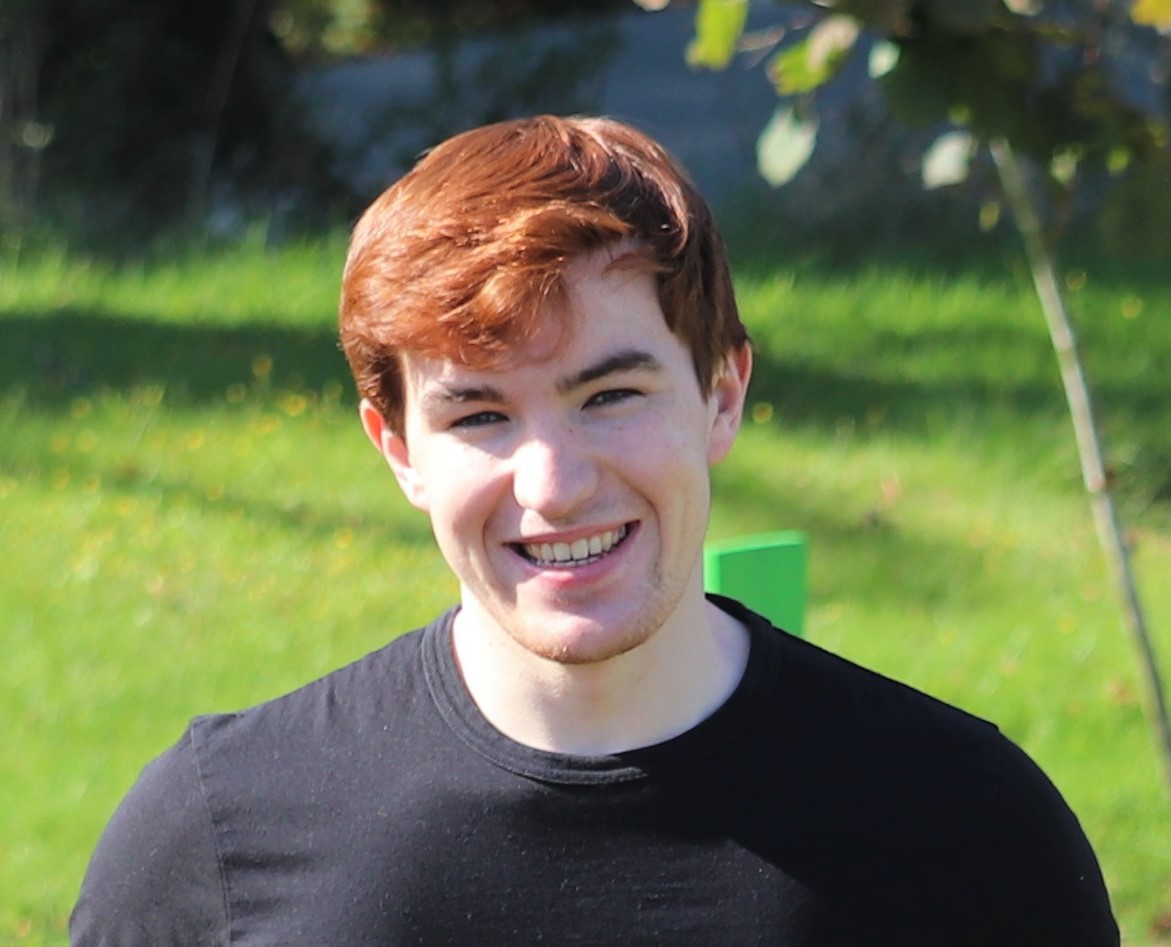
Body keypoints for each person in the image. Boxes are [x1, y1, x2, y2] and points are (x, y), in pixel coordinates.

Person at [71, 114, 1118, 946]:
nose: (555, 483)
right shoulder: (216, 838)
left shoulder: (963, 823)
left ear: (721, 393)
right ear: (396, 448)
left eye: (608, 394)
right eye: (478, 413)